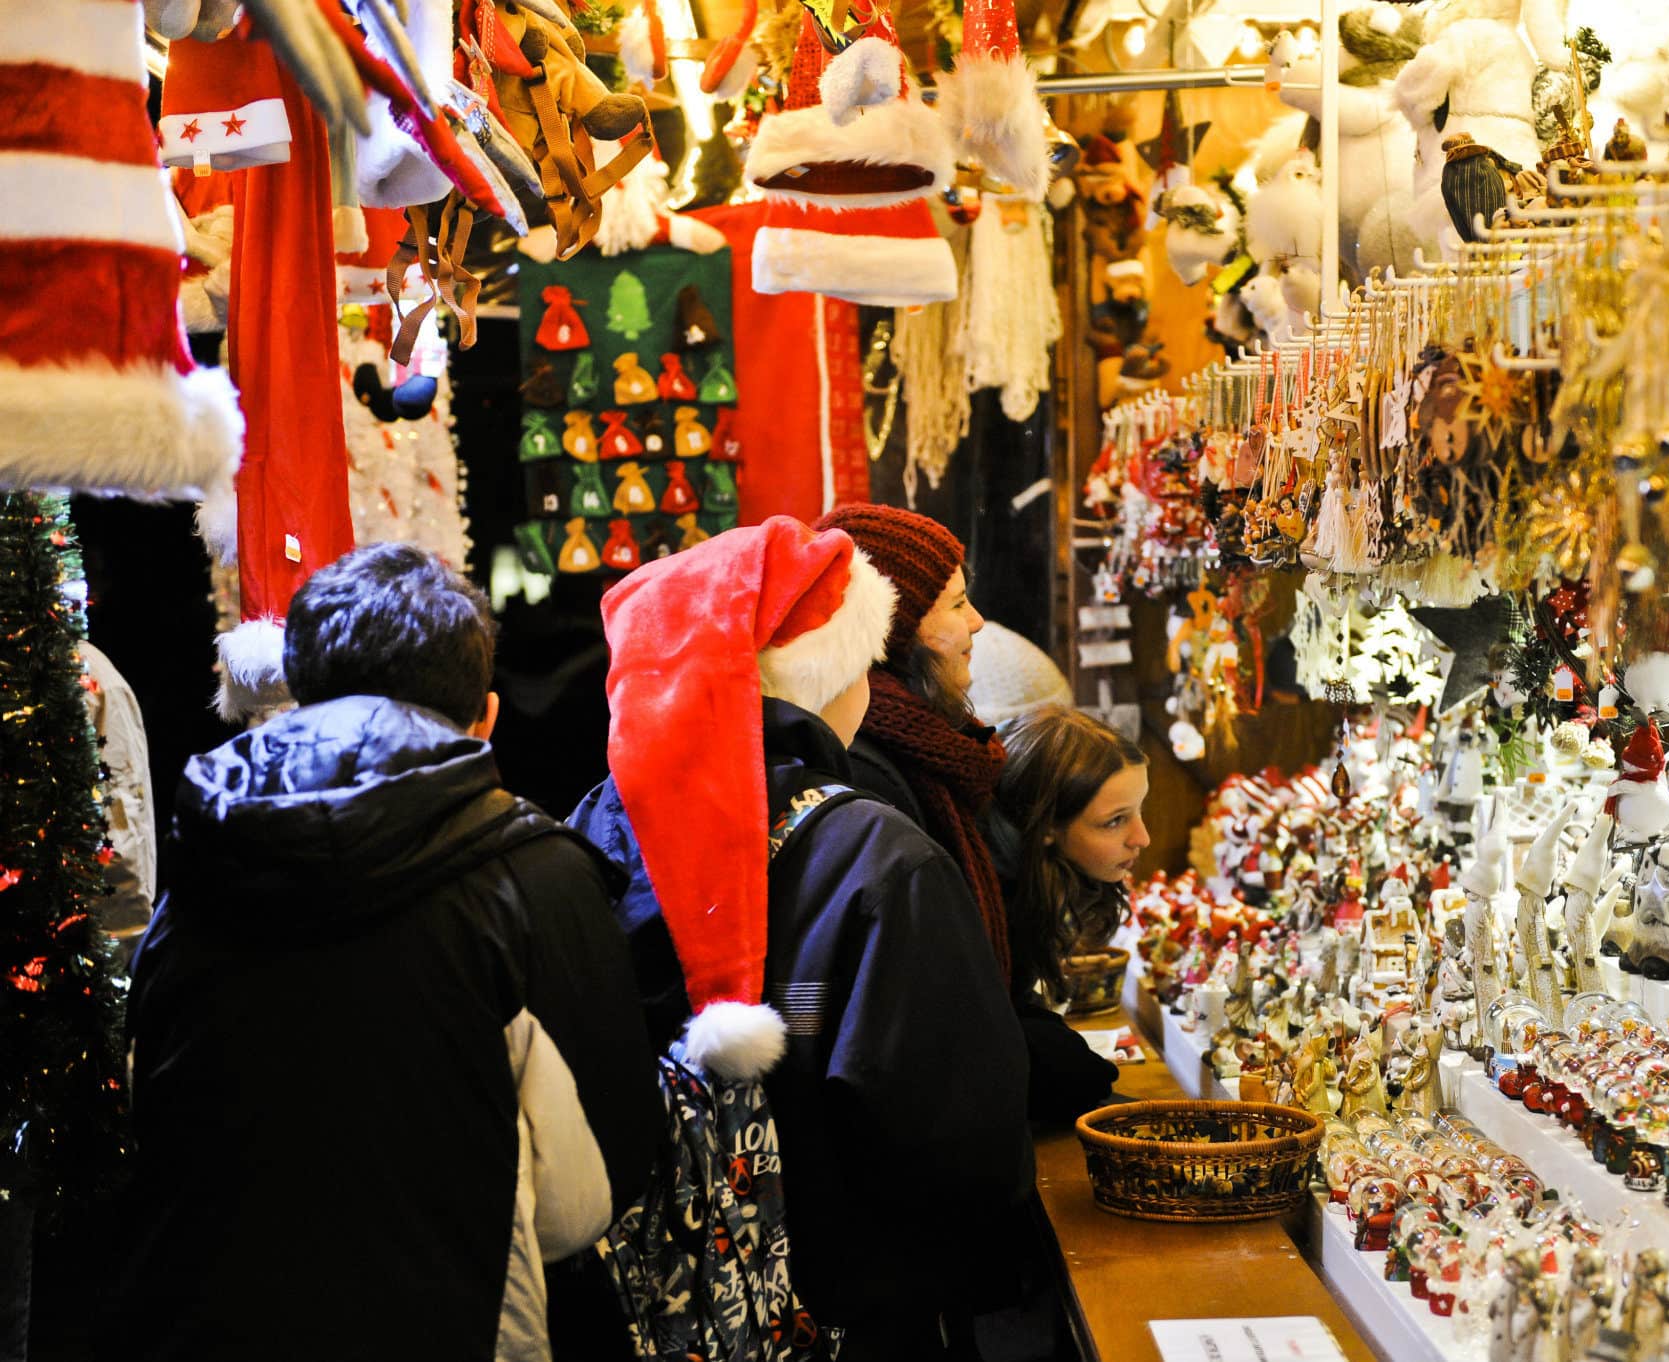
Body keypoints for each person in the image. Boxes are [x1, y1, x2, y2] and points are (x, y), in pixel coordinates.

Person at [115, 543, 657, 1362]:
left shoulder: (204, 857)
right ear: (487, 718)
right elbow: (591, 1193)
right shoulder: (537, 876)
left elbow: (149, 1105)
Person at [568, 516, 1031, 1361]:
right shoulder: (876, 857)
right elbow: (969, 1149)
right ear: (829, 676)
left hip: (646, 1317)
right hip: (854, 1320)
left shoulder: (580, 842)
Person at [811, 504, 1011, 981]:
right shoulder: (867, 766)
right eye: (959, 604)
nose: (978, 621)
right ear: (898, 626)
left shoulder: (930, 741)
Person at [986, 707, 1151, 1120]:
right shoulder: (995, 906)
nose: (1142, 838)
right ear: (1045, 826)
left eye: (1139, 809)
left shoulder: (1041, 884)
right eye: (1115, 821)